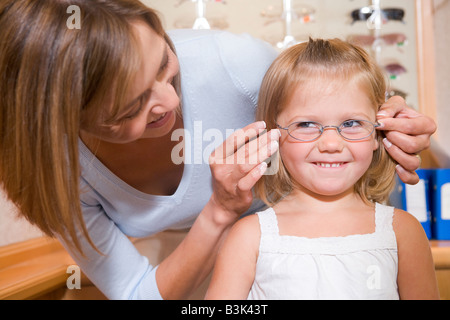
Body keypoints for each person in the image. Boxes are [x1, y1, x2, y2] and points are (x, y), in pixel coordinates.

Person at [0, 0, 436, 300]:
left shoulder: (237, 64)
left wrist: (391, 117)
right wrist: (220, 213)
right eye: (131, 106)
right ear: (63, 122)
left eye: (165, 66)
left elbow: (333, 97)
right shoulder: (55, 175)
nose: (170, 102)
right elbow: (138, 292)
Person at [206, 38, 440, 300]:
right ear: (273, 136)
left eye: (351, 123)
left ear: (377, 133)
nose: (330, 143)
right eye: (306, 124)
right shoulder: (249, 237)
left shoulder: (402, 232)